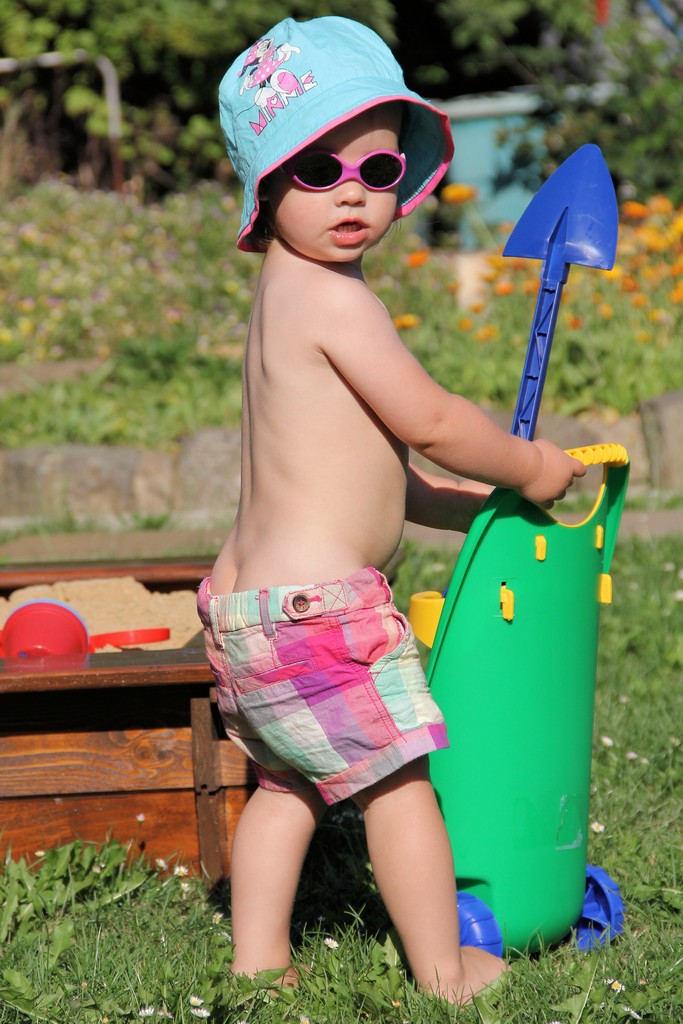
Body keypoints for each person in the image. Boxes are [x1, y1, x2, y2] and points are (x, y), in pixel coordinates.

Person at [197, 15, 586, 1004]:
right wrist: (531, 463)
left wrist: (471, 508)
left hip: (245, 613)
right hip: (319, 614)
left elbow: (368, 471)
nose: (352, 194)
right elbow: (431, 421)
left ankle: (257, 961)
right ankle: (444, 969)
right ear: (266, 185)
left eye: (376, 170)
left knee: (287, 785)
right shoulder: (337, 302)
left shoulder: (281, 299)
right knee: (398, 785)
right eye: (316, 170)